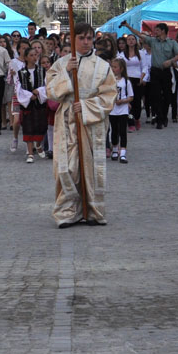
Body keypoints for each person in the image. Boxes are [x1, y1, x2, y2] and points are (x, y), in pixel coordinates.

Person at [46, 23, 118, 228]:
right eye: (82, 38)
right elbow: (50, 90)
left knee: (90, 166)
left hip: (90, 122)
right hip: (67, 121)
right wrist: (66, 73)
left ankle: (92, 209)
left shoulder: (102, 66)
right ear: (73, 39)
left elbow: (109, 95)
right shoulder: (61, 64)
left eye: (89, 38)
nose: (86, 42)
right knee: (67, 167)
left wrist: (86, 107)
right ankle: (68, 210)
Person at [121, 22, 178, 128]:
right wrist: (128, 26)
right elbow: (140, 35)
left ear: (163, 31)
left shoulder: (172, 43)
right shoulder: (153, 41)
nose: (155, 32)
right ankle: (159, 118)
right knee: (156, 96)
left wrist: (171, 61)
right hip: (155, 72)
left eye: (157, 30)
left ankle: (164, 116)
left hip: (166, 72)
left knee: (167, 96)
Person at [14, 45, 47, 163]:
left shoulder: (42, 71)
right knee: (28, 126)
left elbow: (47, 85)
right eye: (31, 55)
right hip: (27, 104)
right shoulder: (20, 73)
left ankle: (38, 144)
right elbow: (18, 88)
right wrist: (29, 96)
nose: (34, 58)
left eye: (35, 55)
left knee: (41, 125)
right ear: (26, 58)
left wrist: (39, 92)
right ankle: (30, 153)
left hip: (39, 103)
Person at [107, 57, 133, 163]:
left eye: (115, 67)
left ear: (121, 69)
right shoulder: (108, 81)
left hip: (122, 109)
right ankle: (114, 149)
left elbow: (131, 96)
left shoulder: (126, 81)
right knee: (114, 130)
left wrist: (123, 101)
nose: (113, 69)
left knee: (122, 131)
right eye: (112, 67)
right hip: (112, 109)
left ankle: (122, 153)